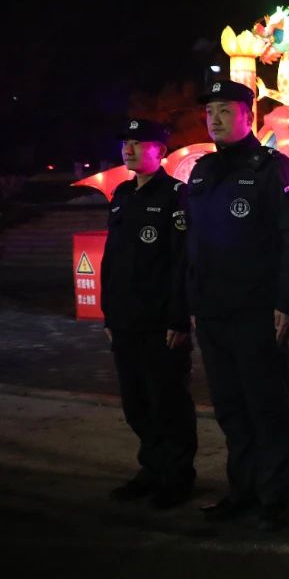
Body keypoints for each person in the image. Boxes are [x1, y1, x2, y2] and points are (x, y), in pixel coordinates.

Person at [185, 80, 289, 531]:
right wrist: (193, 300)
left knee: (266, 405)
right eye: (210, 112)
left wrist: (286, 301)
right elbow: (193, 243)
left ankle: (275, 497)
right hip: (213, 311)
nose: (215, 119)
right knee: (230, 407)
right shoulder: (202, 171)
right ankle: (242, 490)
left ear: (247, 115)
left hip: (257, 311)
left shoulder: (274, 169)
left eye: (225, 110)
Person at [100, 118, 197, 509]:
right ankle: (151, 470)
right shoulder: (122, 194)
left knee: (168, 402)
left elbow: (181, 262)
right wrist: (109, 314)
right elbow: (112, 260)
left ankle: (177, 477)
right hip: (126, 319)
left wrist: (178, 318)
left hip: (160, 322)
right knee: (136, 403)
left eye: (139, 143)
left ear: (160, 151)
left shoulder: (176, 195)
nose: (129, 149)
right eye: (126, 142)